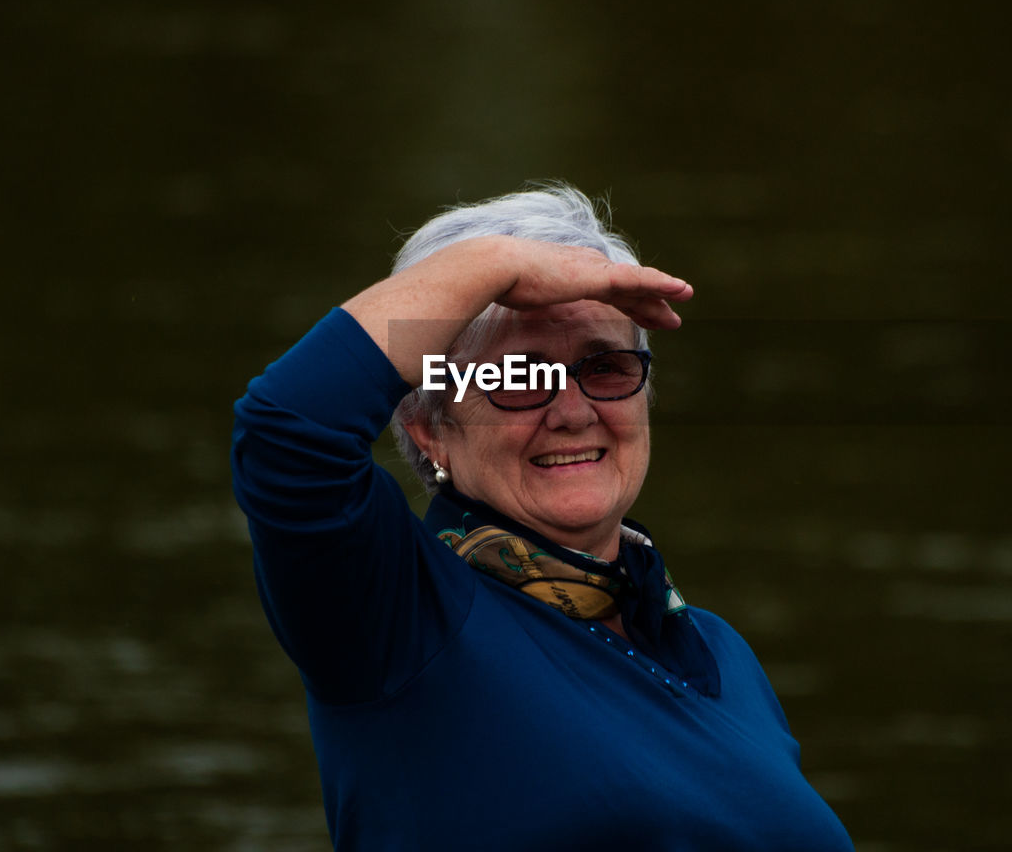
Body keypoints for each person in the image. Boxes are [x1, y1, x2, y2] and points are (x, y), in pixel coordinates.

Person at [231, 184, 854, 851]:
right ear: (430, 429)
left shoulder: (718, 651)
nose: (572, 410)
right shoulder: (395, 618)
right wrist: (495, 266)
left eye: (607, 367)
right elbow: (286, 433)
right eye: (519, 376)